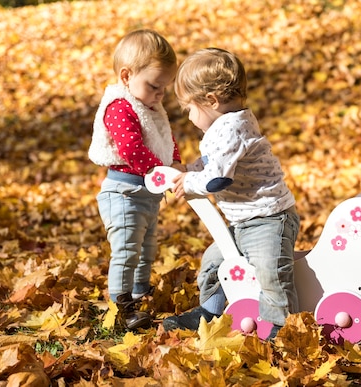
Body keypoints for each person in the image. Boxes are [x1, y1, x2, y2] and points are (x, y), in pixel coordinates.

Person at [162, 48, 300, 341]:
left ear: (211, 100)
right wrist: (188, 170)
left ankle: (283, 329)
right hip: (243, 221)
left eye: (189, 109)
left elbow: (217, 180)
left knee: (270, 271)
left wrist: (189, 182)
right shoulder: (226, 125)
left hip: (269, 219)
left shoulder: (232, 128)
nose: (188, 117)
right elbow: (213, 163)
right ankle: (209, 311)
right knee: (214, 262)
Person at [88, 29, 183, 330]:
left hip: (146, 193)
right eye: (155, 86)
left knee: (147, 248)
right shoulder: (119, 107)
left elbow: (165, 139)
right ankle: (122, 305)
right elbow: (131, 148)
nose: (160, 94)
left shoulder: (150, 107)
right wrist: (160, 172)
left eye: (164, 88)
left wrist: (176, 161)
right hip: (124, 193)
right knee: (127, 249)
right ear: (127, 76)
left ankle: (140, 291)